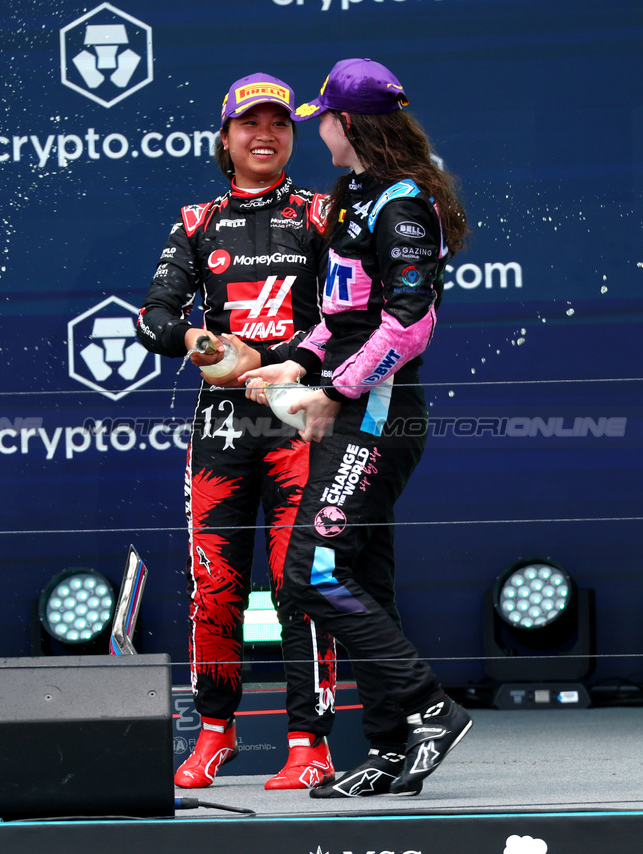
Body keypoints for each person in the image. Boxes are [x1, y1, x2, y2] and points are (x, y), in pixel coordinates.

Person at [240, 58, 472, 797]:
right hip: (354, 407)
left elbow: (408, 326)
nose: (316, 130)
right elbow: (343, 318)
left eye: (322, 118)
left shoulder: (405, 206)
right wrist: (290, 364)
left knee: (310, 572)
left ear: (350, 124)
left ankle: (429, 707)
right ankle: (391, 747)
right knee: (361, 577)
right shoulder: (354, 195)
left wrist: (331, 394)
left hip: (376, 414)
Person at [135, 74, 339, 791]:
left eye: (278, 124)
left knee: (298, 582)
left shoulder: (322, 214)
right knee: (215, 585)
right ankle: (213, 734)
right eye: (248, 124)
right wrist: (203, 344)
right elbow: (154, 316)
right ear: (225, 138)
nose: (264, 135)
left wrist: (288, 366)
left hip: (297, 423)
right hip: (222, 425)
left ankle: (309, 741)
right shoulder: (196, 221)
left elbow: (349, 313)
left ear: (291, 136)